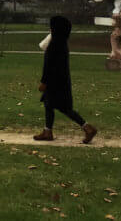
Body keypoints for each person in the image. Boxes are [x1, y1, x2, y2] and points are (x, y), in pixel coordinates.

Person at [34, 15, 98, 143]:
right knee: (49, 105)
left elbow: (49, 66)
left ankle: (87, 127)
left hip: (54, 82)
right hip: (61, 81)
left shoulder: (54, 45)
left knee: (64, 108)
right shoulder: (61, 43)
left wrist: (44, 82)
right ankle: (48, 131)